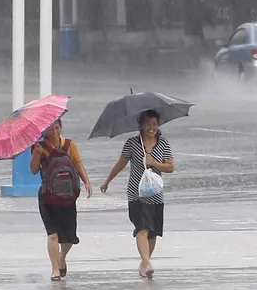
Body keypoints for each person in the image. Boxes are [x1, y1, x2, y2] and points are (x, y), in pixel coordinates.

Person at [100, 110, 175, 279]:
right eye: (148, 124)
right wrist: (107, 181)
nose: (151, 127)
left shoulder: (163, 143)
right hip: (136, 193)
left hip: (155, 193)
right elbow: (120, 164)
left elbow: (170, 167)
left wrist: (154, 163)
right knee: (142, 228)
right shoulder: (132, 143)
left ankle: (144, 262)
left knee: (153, 232)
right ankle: (147, 263)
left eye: (155, 124)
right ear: (141, 125)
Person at [31, 118, 92, 281]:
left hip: (67, 196)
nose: (55, 132)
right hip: (47, 196)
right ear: (44, 131)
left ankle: (61, 257)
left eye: (57, 128)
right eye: (51, 129)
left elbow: (78, 164)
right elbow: (34, 170)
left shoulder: (69, 145)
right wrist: (36, 154)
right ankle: (55, 269)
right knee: (52, 234)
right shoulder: (39, 147)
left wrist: (86, 181)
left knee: (70, 237)